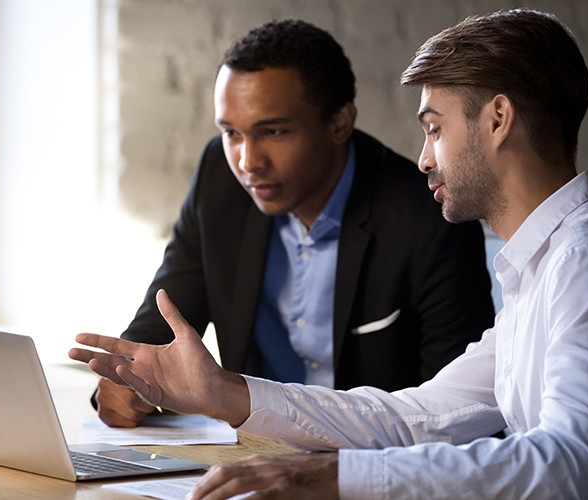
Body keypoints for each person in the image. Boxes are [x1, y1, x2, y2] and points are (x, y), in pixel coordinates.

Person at [71, 8, 588, 498]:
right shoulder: (546, 267)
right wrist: (224, 393)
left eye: (434, 127)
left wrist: (328, 479)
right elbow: (415, 417)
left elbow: (565, 469)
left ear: (498, 119)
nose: (424, 157)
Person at [92, 19, 495, 427]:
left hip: (369, 466)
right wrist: (127, 377)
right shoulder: (220, 178)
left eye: (274, 131)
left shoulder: (429, 217)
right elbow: (166, 315)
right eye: (232, 133)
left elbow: (459, 416)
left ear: (340, 123)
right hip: (249, 451)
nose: (248, 162)